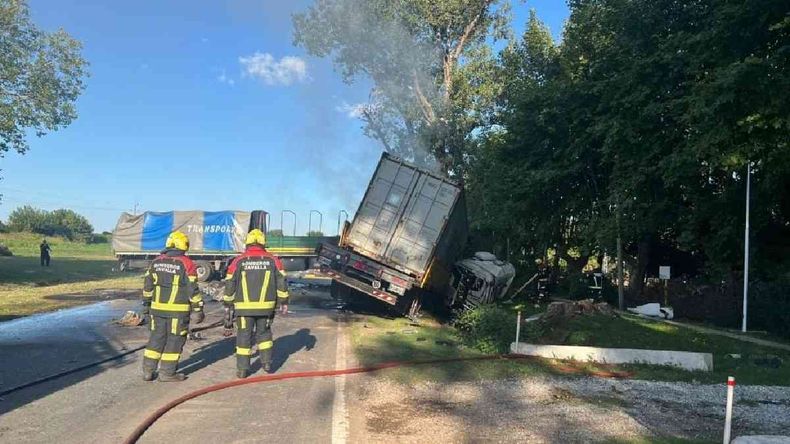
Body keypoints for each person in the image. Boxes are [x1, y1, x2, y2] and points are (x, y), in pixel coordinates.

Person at [223, 229, 289, 378]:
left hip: (244, 309)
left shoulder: (238, 261)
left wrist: (227, 302)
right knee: (264, 333)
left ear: (247, 242)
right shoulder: (273, 260)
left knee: (243, 337)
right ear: (263, 242)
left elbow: (230, 282)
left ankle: (242, 369)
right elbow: (282, 282)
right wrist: (283, 301)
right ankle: (266, 363)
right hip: (266, 308)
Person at [141, 231, 204, 382]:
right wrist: (198, 309)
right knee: (174, 340)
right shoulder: (186, 263)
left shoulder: (156, 262)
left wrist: (146, 306)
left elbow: (148, 287)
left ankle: (148, 371)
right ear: (184, 245)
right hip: (178, 311)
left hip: (157, 310)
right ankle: (167, 373)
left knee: (156, 338)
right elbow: (192, 289)